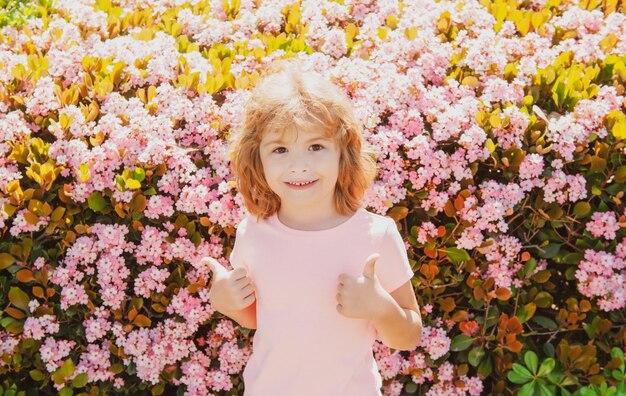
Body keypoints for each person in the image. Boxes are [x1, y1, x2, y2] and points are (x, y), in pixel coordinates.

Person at [202, 59, 423, 396]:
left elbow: (408, 335)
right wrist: (226, 301)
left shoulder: (376, 236)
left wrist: (381, 307)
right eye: (280, 149)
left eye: (316, 147)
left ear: (343, 153)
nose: (299, 166)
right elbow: (261, 317)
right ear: (256, 159)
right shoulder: (253, 234)